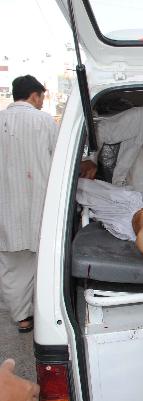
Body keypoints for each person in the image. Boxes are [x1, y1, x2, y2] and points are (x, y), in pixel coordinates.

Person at [0, 75, 59, 333]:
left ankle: (22, 317)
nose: (42, 102)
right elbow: (60, 163)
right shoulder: (46, 122)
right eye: (42, 97)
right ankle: (43, 312)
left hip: (6, 207)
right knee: (43, 261)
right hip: (41, 206)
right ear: (34, 95)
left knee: (12, 265)